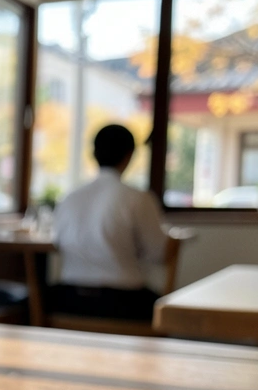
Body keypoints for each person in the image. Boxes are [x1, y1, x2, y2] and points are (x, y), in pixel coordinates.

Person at [49, 124, 169, 322]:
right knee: (165, 306)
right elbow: (159, 253)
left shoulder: (70, 198)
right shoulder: (137, 198)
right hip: (123, 302)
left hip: (68, 299)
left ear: (94, 153)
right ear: (129, 155)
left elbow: (57, 242)